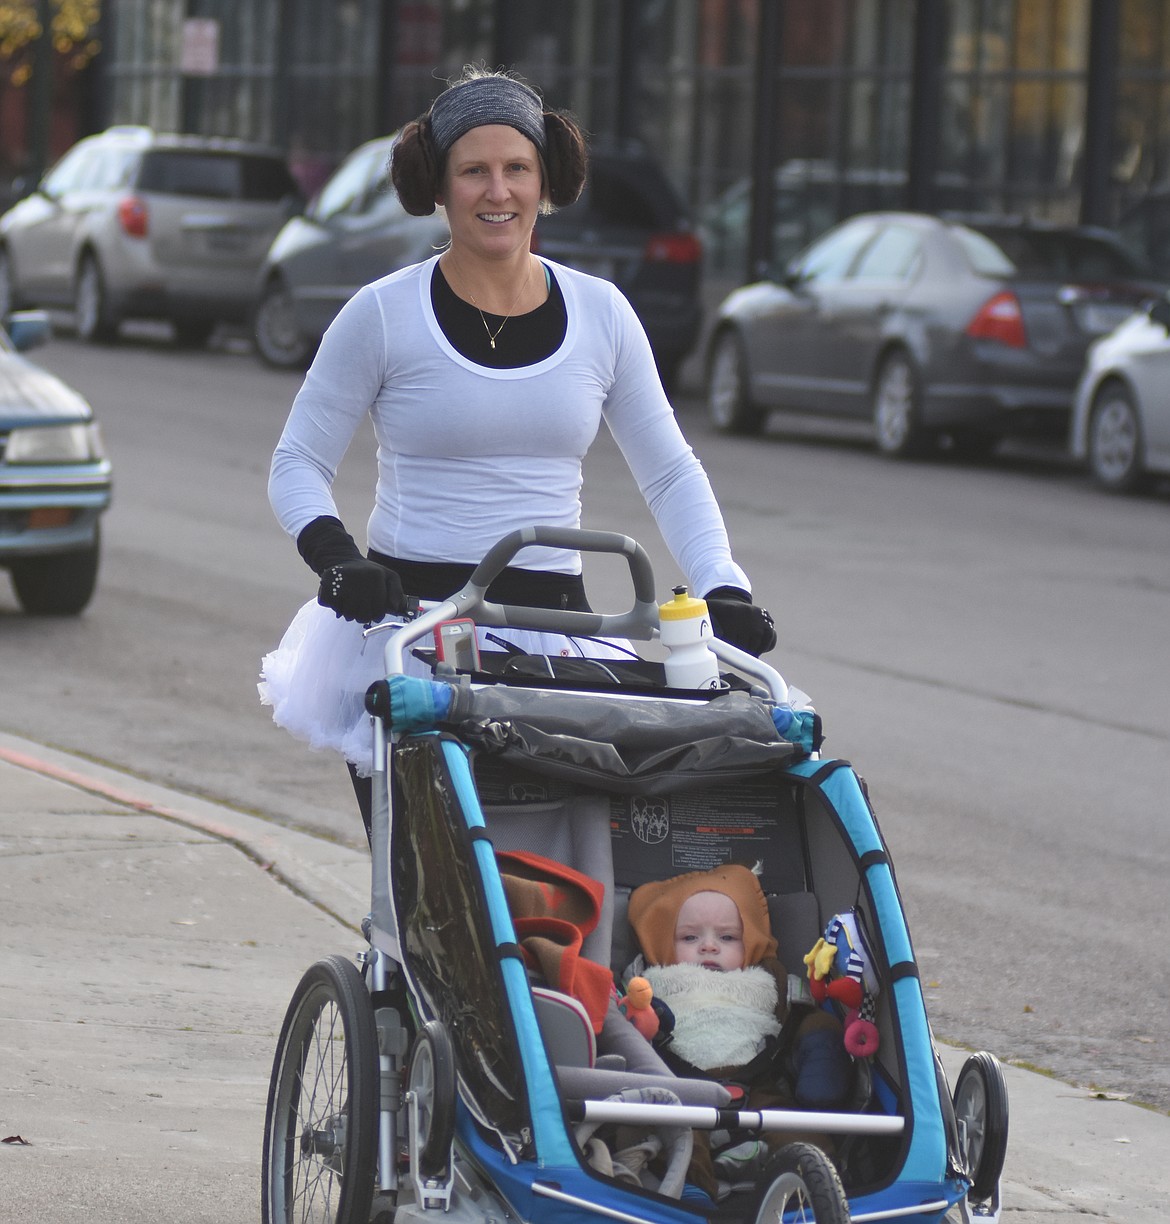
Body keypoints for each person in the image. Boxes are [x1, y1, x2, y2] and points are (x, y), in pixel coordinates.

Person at [259, 66, 775, 842]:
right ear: (439, 184)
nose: (496, 191)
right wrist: (337, 560)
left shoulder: (602, 314)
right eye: (474, 170)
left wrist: (722, 586)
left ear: (546, 180)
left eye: (516, 169)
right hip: (409, 633)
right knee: (433, 883)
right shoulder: (382, 315)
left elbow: (669, 470)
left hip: (555, 637)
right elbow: (297, 460)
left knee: (556, 879)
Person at [626, 864, 852, 1195]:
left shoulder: (769, 984)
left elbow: (802, 1019)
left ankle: (811, 1195)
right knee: (676, 1142)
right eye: (690, 937)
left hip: (760, 1088)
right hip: (682, 1093)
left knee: (804, 1139)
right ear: (662, 945)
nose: (709, 946)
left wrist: (819, 1039)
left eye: (727, 937)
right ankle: (691, 1200)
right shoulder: (650, 985)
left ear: (751, 943)